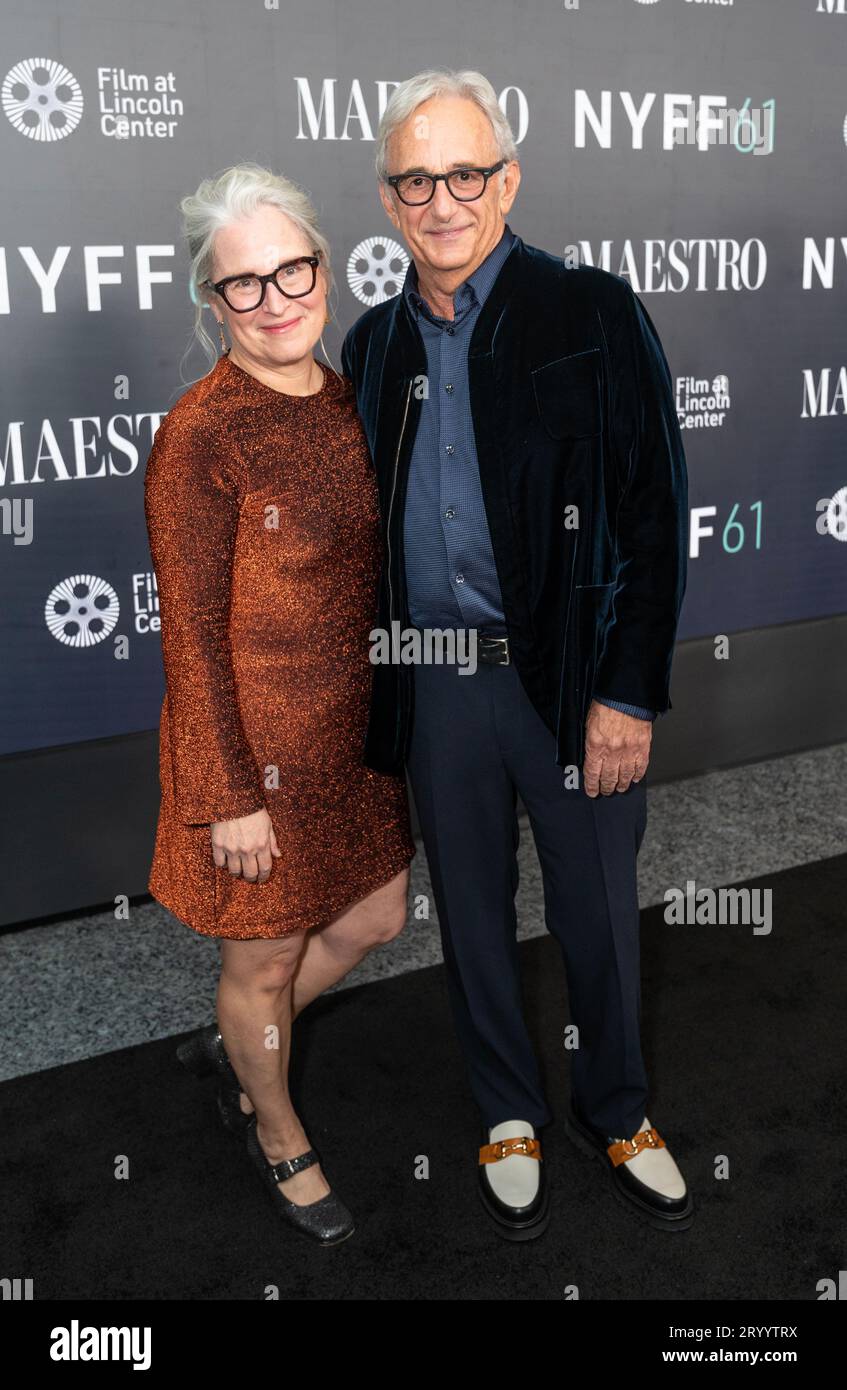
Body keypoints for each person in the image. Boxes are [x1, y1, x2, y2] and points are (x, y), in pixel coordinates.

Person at [341, 69, 692, 1241]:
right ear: (390, 200)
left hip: (569, 679)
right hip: (438, 677)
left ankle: (619, 1106)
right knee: (473, 914)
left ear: (508, 178)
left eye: (466, 173)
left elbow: (649, 509)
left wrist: (625, 689)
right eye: (416, 180)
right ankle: (505, 1108)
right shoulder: (373, 340)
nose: (443, 200)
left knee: (593, 909)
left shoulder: (588, 308)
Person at [144, 163, 416, 1246]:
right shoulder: (202, 433)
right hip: (253, 754)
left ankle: (241, 1044)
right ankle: (276, 1125)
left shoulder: (353, 394)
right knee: (258, 957)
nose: (275, 299)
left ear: (325, 266)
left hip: (354, 740)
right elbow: (190, 634)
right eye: (243, 284)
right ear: (214, 302)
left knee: (376, 917)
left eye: (291, 269)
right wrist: (226, 795)